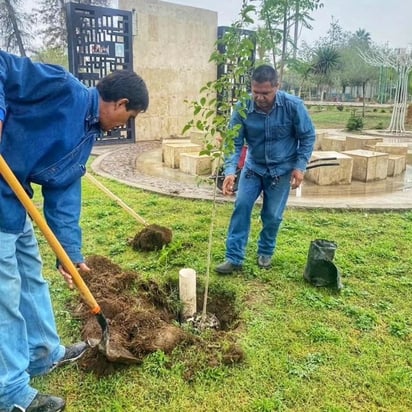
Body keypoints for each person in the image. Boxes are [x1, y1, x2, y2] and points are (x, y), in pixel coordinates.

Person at [0, 51, 149, 412]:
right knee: (4, 295)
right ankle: (10, 392)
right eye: (127, 118)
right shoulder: (61, 87)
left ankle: (43, 353)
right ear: (120, 103)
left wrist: (70, 254)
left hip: (16, 203)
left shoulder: (86, 136)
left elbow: (63, 195)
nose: (121, 126)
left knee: (31, 279)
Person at [215, 64, 315, 274]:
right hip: (253, 169)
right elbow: (233, 141)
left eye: (265, 93)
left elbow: (307, 137)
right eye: (256, 92)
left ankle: (265, 251)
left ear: (277, 86)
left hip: (281, 171)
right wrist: (231, 170)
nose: (259, 98)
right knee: (241, 207)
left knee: (272, 215)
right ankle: (234, 258)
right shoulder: (243, 107)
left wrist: (300, 166)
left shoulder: (293, 106)